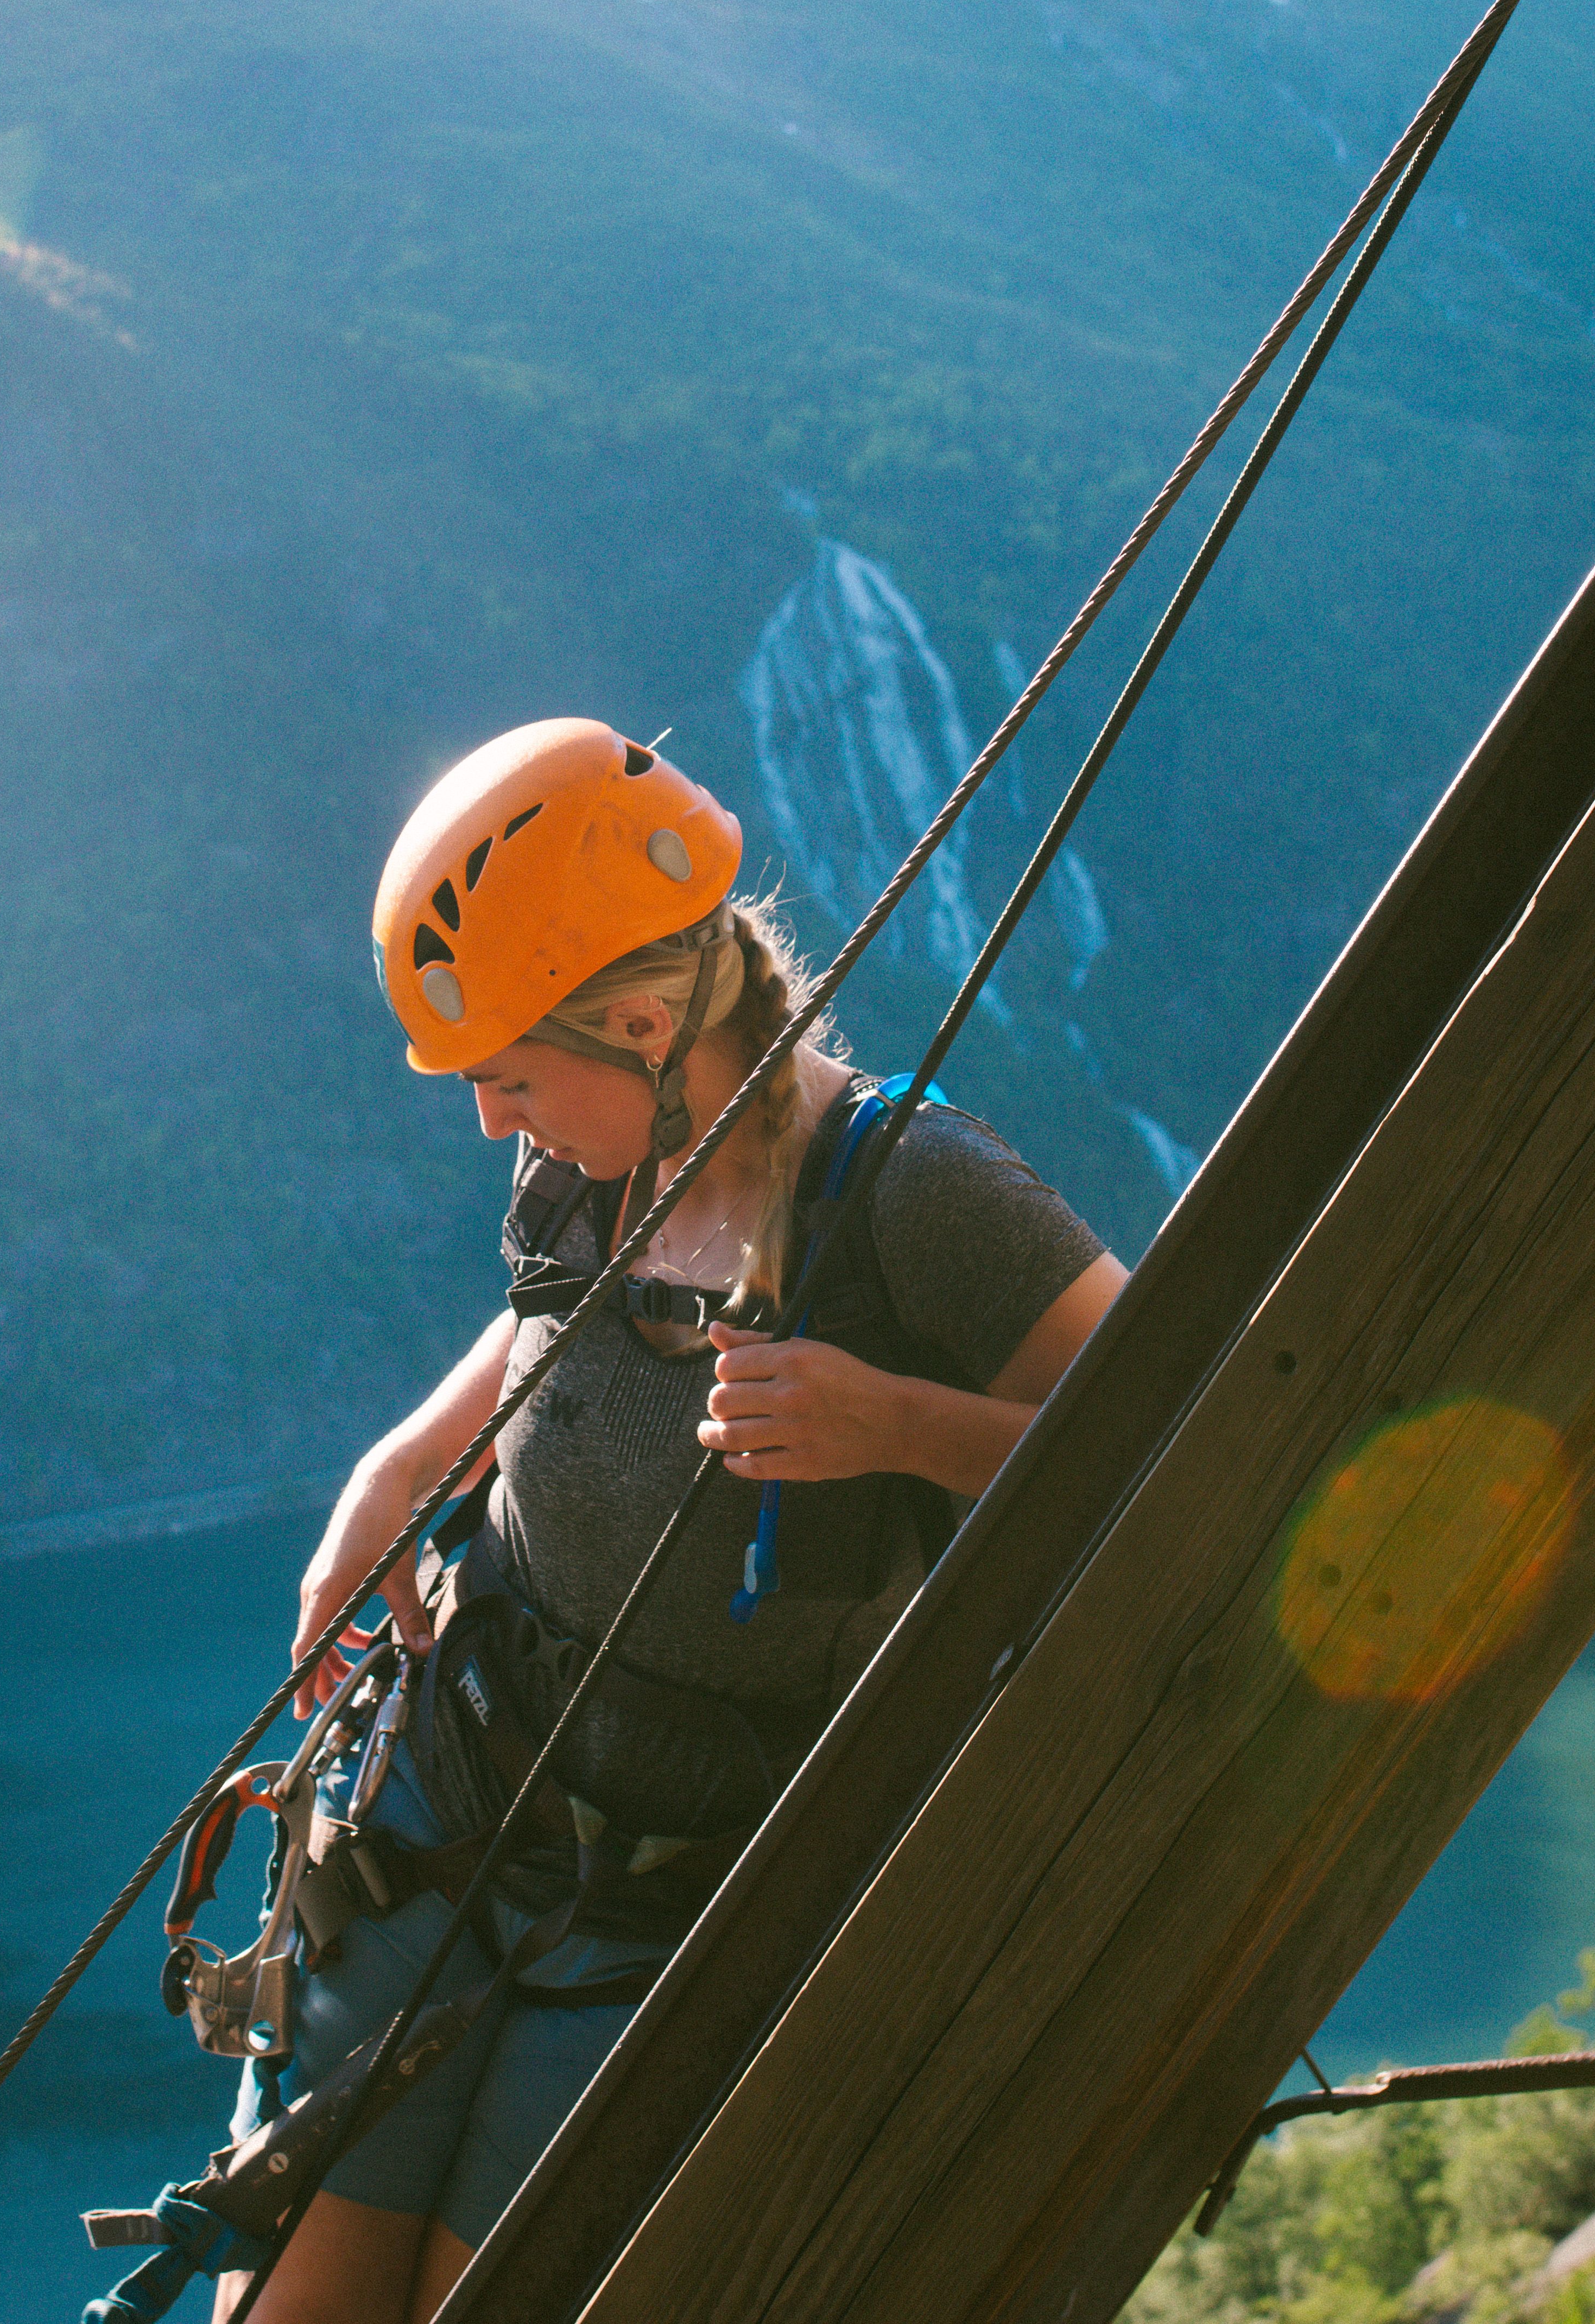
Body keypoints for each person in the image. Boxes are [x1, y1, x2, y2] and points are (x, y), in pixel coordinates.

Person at [217, 719, 1126, 2324]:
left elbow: (1164, 1424)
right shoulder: (598, 1163)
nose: (494, 1123)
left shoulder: (915, 1193)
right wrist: (399, 1468)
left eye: (511, 1077)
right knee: (289, 2299)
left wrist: (897, 1424)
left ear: (645, 1024)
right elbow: (541, 1326)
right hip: (450, 1796)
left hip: (673, 1887)